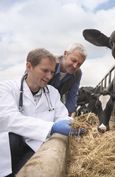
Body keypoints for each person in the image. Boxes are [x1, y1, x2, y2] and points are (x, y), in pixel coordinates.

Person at [0, 48, 84, 177]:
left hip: (35, 147)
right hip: (10, 151)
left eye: (51, 72)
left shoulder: (52, 92)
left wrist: (73, 124)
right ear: (29, 66)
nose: (49, 76)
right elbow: (8, 118)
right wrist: (51, 127)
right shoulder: (6, 88)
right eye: (45, 71)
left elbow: (62, 115)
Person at [49, 43, 87, 115]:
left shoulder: (77, 73)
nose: (75, 66)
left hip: (55, 104)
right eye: (73, 60)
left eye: (79, 64)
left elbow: (72, 94)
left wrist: (68, 115)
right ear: (65, 54)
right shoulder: (50, 62)